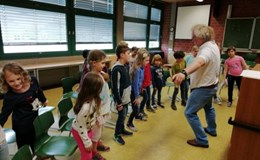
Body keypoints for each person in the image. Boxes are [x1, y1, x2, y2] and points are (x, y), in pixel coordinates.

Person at [172, 24, 220, 148]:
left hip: (203, 87)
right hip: (211, 84)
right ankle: (211, 129)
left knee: (189, 112)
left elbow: (200, 62)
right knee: (209, 108)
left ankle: (202, 140)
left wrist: (184, 73)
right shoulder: (213, 45)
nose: (193, 39)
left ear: (202, 37)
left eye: (195, 36)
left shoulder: (206, 50)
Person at [0, 62, 48, 152]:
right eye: (11, 81)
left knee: (36, 142)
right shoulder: (10, 96)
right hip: (22, 126)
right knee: (24, 147)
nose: (17, 83)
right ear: (5, 81)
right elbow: (4, 115)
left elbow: (38, 91)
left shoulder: (32, 81)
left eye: (18, 78)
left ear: (23, 74)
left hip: (35, 120)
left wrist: (44, 100)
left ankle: (37, 155)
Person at [71, 72, 104, 160]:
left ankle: (93, 154)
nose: (101, 89)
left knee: (89, 151)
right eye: (100, 87)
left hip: (88, 129)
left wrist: (98, 119)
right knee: (87, 155)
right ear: (93, 89)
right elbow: (81, 126)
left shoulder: (95, 98)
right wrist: (86, 142)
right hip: (80, 131)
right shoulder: (85, 108)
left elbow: (96, 111)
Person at [87, 49, 112, 160]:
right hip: (98, 111)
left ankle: (98, 143)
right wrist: (96, 114)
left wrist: (104, 75)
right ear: (93, 63)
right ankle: (94, 153)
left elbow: (105, 79)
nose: (104, 65)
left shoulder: (99, 73)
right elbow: (91, 98)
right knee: (96, 132)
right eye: (102, 63)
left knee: (100, 130)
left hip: (103, 109)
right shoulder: (92, 78)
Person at [111, 41, 132, 145]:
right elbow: (115, 88)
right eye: (128, 53)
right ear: (122, 55)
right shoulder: (116, 69)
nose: (130, 55)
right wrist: (119, 102)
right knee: (121, 117)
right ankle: (117, 134)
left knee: (124, 116)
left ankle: (122, 129)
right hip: (121, 99)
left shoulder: (125, 66)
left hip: (126, 97)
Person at [127, 48, 150, 132]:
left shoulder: (142, 67)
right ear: (141, 60)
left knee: (146, 97)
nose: (148, 63)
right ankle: (129, 123)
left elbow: (141, 80)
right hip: (133, 91)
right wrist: (136, 97)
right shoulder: (137, 69)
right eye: (146, 61)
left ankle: (138, 115)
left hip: (139, 88)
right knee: (135, 108)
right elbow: (135, 84)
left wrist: (142, 87)